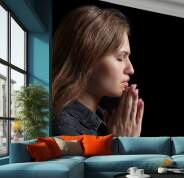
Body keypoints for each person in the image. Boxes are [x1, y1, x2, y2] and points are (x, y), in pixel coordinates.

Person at [52, 5, 144, 137]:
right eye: (120, 58)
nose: (131, 69)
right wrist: (120, 146)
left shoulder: (107, 119)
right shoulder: (65, 130)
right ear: (87, 58)